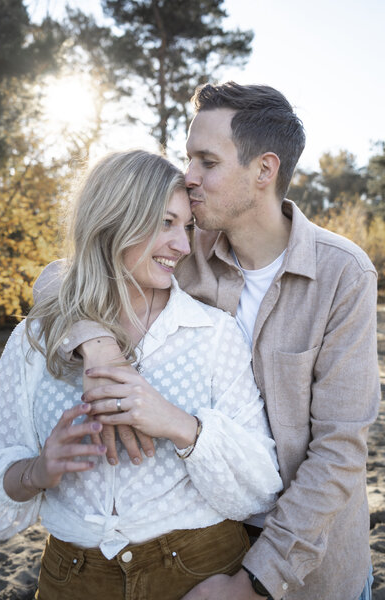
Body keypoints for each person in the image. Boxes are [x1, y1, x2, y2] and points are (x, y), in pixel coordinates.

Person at [35, 83, 381, 600]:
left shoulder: (343, 274)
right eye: (187, 157)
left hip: (309, 568)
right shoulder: (180, 247)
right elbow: (62, 274)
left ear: (264, 171)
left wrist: (255, 581)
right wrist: (98, 346)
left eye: (206, 161)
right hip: (198, 556)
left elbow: (339, 449)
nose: (188, 177)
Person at [0, 150, 283, 600]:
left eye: (185, 227)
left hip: (199, 574)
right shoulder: (36, 338)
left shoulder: (212, 333)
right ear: (111, 220)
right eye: (165, 223)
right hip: (71, 580)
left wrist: (180, 425)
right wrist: (36, 471)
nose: (182, 246)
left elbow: (260, 490)